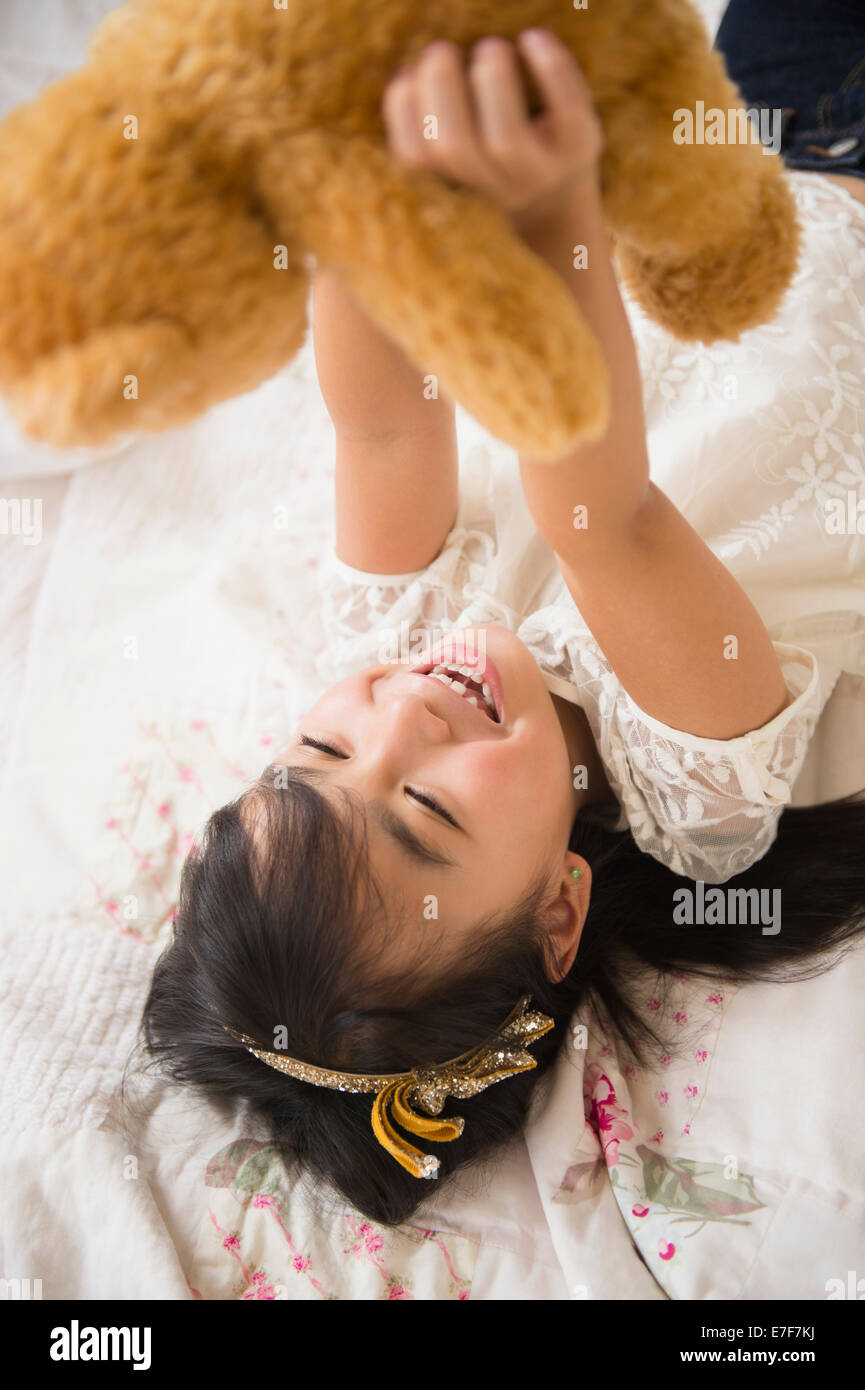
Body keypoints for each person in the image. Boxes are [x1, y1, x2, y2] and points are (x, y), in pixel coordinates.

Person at [138, 19, 865, 1227]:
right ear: (559, 909)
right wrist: (553, 209)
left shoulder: (396, 634)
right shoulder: (703, 800)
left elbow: (380, 422)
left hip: (758, 163)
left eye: (316, 754)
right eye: (427, 807)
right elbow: (599, 508)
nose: (402, 716)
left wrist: (351, 175)